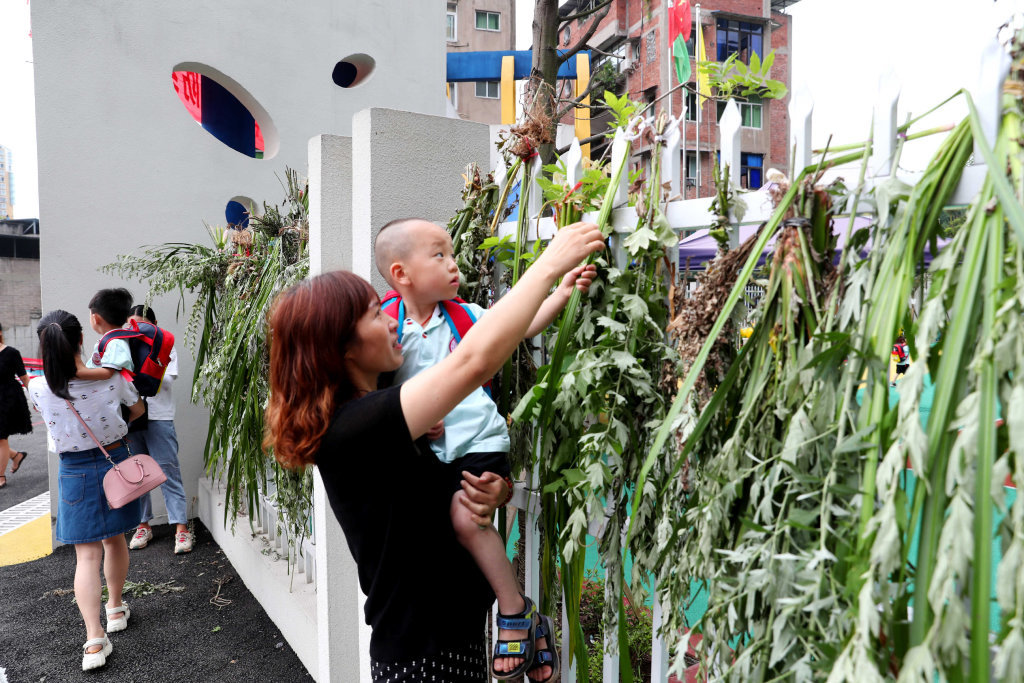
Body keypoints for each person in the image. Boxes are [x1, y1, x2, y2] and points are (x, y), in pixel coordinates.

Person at [264, 221, 603, 683]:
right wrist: (550, 264)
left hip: (454, 636)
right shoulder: (355, 427)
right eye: (374, 314)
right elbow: (474, 361)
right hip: (420, 656)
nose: (390, 320)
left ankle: (520, 613)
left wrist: (498, 491)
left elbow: (436, 491)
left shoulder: (384, 419)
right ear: (343, 347)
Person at [374, 217, 596, 678]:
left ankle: (514, 610)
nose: (453, 264)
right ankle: (529, 627)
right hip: (434, 454)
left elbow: (521, 323)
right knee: (444, 533)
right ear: (401, 273)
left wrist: (561, 291)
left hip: (479, 440)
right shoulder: (387, 327)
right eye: (440, 255)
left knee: (465, 519)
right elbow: (381, 396)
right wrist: (414, 424)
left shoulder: (465, 315)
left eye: (452, 254)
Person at [28, 310, 145, 671]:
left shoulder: (37, 386)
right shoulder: (112, 379)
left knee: (86, 556)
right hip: (115, 462)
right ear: (81, 340)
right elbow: (137, 409)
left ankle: (94, 640)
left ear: (44, 346)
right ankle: (115, 609)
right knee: (115, 539)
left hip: (73, 471)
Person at [123, 305, 192, 554]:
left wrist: (139, 373)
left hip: (158, 417)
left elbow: (167, 380)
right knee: (136, 475)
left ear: (153, 324)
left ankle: (181, 528)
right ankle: (143, 525)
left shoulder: (165, 344)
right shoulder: (122, 345)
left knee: (168, 472)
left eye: (141, 324)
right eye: (131, 325)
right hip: (131, 419)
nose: (136, 329)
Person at [75, 287, 135, 382]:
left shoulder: (116, 343)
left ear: (95, 318)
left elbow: (107, 373)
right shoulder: (111, 341)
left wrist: (77, 374)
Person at [0, 321, 33, 488]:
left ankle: (0, 476)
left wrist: (36, 398)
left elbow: (24, 377)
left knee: (1, 437)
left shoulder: (11, 353)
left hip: (7, 399)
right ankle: (15, 455)